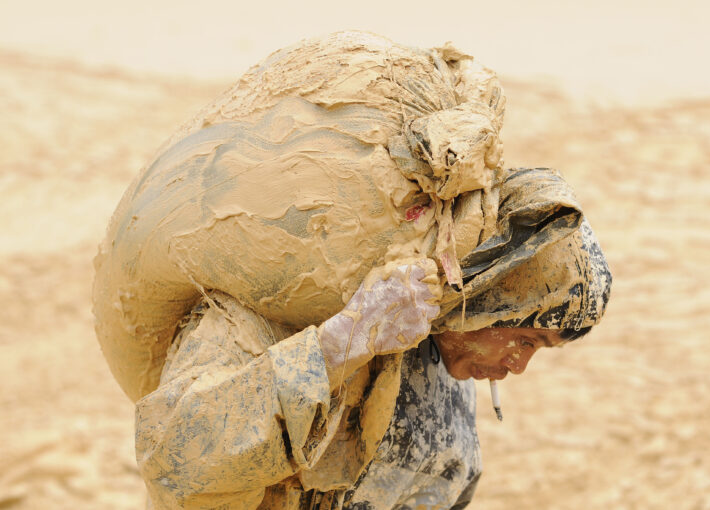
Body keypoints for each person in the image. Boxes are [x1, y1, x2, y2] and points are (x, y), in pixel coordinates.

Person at [134, 167, 612, 510]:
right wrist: (339, 346)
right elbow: (178, 467)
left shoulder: (439, 354)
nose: (518, 366)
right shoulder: (266, 314)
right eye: (525, 339)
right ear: (489, 296)